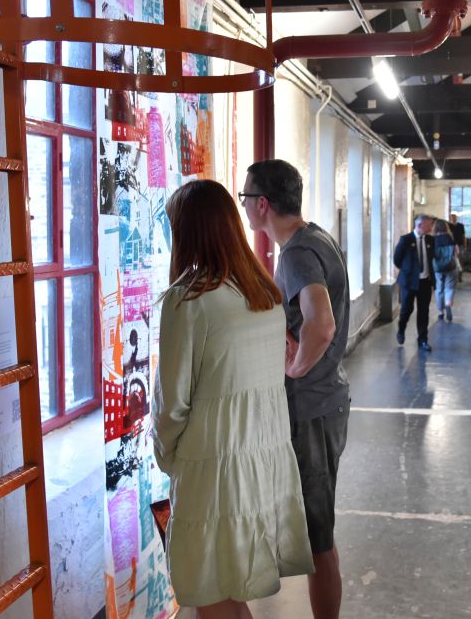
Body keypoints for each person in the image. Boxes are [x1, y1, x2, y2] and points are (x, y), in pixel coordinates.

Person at [153, 179, 314, 619]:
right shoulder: (263, 295)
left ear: (189, 232)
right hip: (260, 463)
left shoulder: (187, 301)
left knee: (210, 594)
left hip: (213, 469)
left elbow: (172, 404)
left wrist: (167, 456)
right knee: (229, 591)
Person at [241, 159, 351, 619]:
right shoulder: (316, 238)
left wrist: (295, 370)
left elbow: (320, 323)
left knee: (318, 538)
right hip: (325, 404)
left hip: (311, 409)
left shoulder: (296, 255)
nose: (244, 207)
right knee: (314, 532)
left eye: (245, 198)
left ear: (262, 205)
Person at [394, 214, 435, 352]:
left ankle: (423, 340)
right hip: (409, 282)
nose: (431, 227)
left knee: (424, 311)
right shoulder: (406, 240)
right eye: (429, 225)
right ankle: (401, 329)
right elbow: (397, 259)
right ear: (420, 225)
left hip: (425, 282)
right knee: (407, 309)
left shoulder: (430, 240)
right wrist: (408, 271)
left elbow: (431, 259)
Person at [432, 219, 458, 322]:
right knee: (449, 287)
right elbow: (456, 252)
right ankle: (448, 304)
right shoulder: (450, 238)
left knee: (439, 289)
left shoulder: (433, 239)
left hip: (438, 268)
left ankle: (441, 312)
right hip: (450, 267)